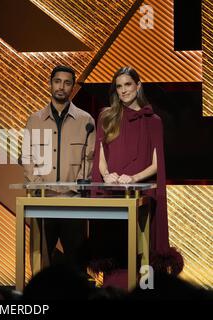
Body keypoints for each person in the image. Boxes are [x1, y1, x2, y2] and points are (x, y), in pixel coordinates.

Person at [90, 66, 182, 279]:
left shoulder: (153, 120)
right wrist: (106, 175)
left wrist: (133, 178)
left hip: (140, 195)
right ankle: (113, 288)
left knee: (140, 249)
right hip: (113, 193)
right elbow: (100, 155)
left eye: (128, 85)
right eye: (119, 86)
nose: (123, 90)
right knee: (113, 248)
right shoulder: (106, 116)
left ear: (138, 86)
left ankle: (140, 291)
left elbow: (157, 164)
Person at [21, 65, 96, 270]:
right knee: (42, 262)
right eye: (57, 81)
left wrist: (77, 186)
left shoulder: (85, 120)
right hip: (43, 201)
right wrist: (38, 186)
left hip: (74, 202)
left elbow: (89, 158)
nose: (61, 86)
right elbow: (27, 157)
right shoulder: (34, 120)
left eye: (67, 82)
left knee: (77, 262)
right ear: (50, 83)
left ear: (72, 87)